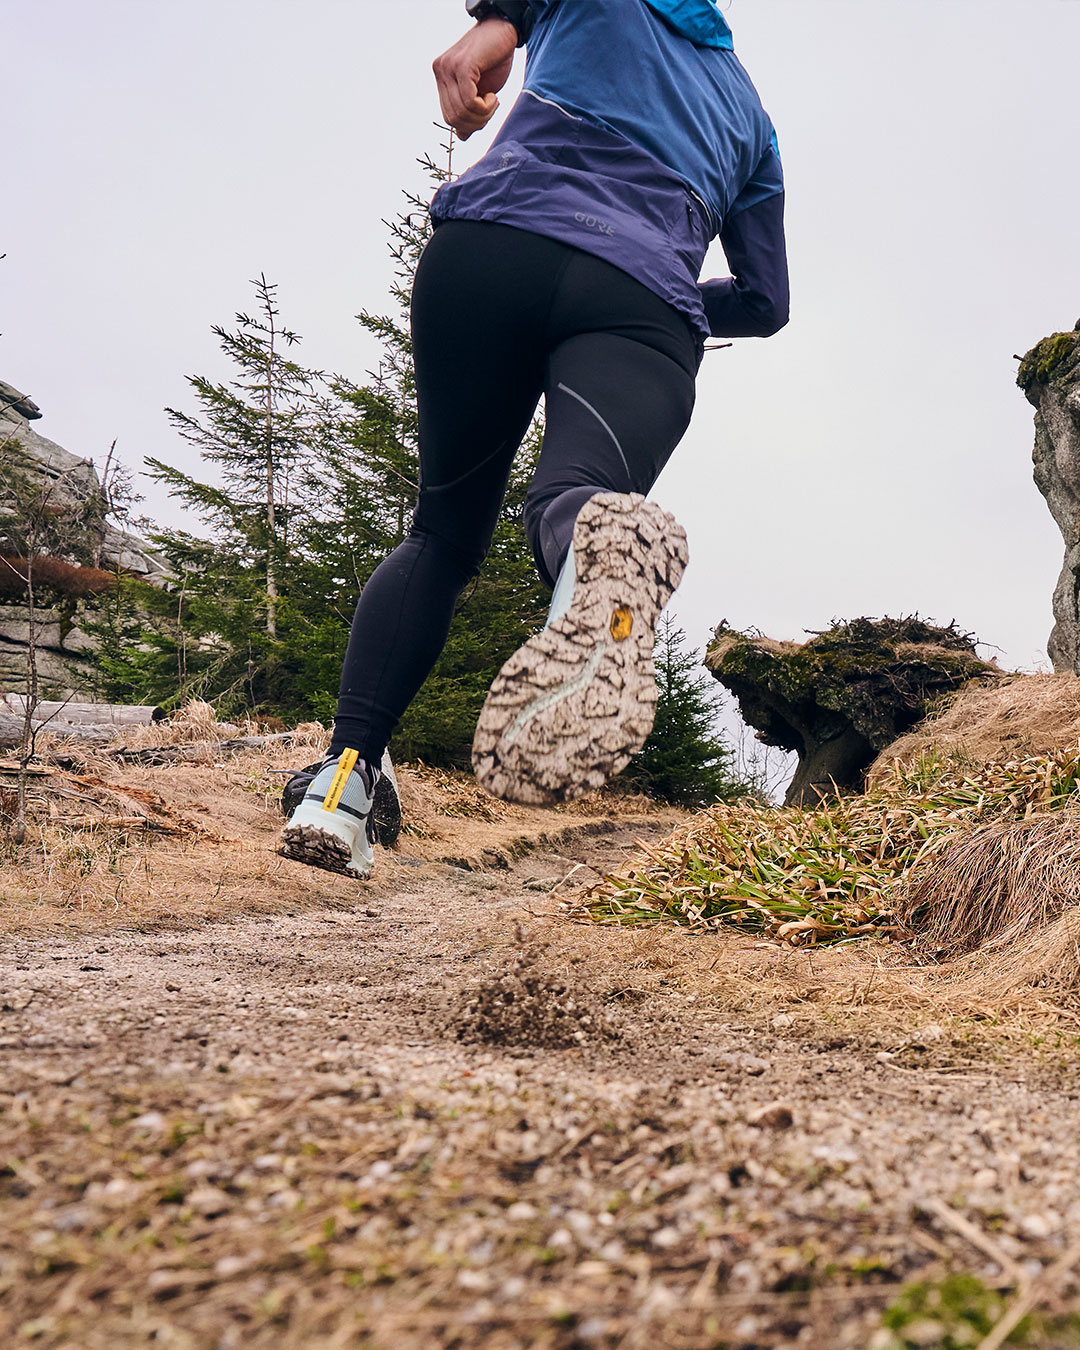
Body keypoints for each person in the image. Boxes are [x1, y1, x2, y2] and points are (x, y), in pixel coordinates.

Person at [280, 0, 789, 879]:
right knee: (574, 495)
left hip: (493, 249)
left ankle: (344, 786)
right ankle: (599, 535)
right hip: (641, 305)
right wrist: (665, 290)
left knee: (440, 535)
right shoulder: (753, 121)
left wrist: (497, 23)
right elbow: (768, 300)